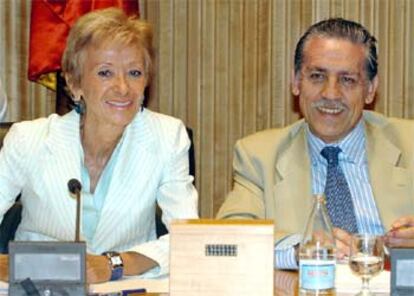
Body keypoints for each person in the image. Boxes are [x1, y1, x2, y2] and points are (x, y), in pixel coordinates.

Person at [0, 8, 198, 283]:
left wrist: (114, 264)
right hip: (37, 287)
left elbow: (188, 239)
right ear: (74, 82)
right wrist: (16, 265)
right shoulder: (28, 139)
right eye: (105, 73)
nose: (122, 87)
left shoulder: (167, 137)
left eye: (134, 72)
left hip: (126, 286)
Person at [217, 18, 414, 269]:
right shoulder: (258, 156)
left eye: (347, 80)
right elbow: (227, 240)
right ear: (297, 81)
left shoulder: (410, 144)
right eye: (318, 76)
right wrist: (303, 250)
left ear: (370, 89)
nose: (330, 94)